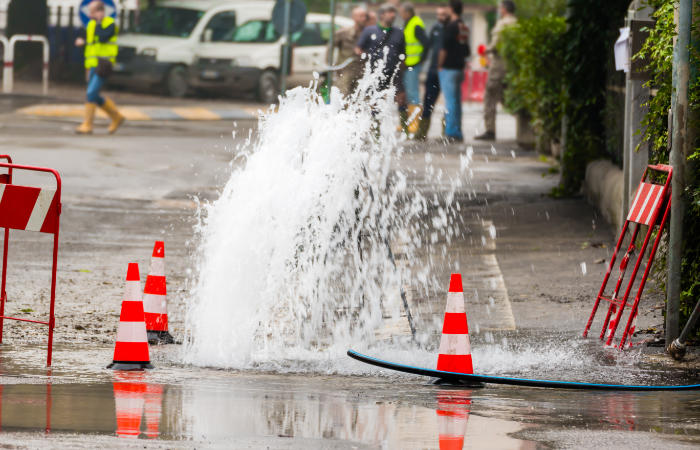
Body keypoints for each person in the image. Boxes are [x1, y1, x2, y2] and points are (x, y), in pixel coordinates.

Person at [74, 0, 124, 135]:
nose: (90, 15)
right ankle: (116, 117)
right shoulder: (91, 25)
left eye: (92, 12)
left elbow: (101, 38)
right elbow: (91, 42)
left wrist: (98, 22)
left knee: (91, 93)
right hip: (91, 65)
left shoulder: (110, 24)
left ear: (100, 12)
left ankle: (87, 125)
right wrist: (82, 42)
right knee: (93, 94)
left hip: (104, 64)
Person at [475, 0, 517, 140]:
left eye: (500, 8)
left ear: (504, 9)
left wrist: (485, 50)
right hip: (512, 66)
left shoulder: (503, 24)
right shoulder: (517, 23)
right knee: (508, 97)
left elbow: (496, 44)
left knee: (490, 96)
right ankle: (529, 125)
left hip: (499, 65)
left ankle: (490, 131)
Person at [356, 3, 406, 108]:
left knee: (401, 100)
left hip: (394, 73)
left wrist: (402, 70)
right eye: (390, 12)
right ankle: (375, 123)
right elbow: (358, 49)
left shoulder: (399, 32)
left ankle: (402, 124)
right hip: (374, 73)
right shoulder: (369, 30)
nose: (393, 15)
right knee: (374, 103)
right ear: (382, 15)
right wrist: (366, 58)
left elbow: (403, 53)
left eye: (394, 13)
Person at [438, 0, 470, 142]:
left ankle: (450, 133)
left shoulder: (451, 27)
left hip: (449, 68)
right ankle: (457, 132)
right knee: (456, 101)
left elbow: (444, 48)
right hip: (459, 67)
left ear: (451, 9)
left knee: (450, 101)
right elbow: (465, 47)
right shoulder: (463, 25)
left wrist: (439, 65)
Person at [417, 5, 450, 140]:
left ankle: (446, 132)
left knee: (448, 104)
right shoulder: (436, 28)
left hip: (447, 70)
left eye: (442, 14)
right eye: (438, 14)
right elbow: (428, 47)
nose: (439, 17)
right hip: (432, 70)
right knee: (428, 101)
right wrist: (421, 61)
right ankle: (422, 132)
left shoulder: (451, 28)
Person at [399, 3, 429, 135]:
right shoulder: (408, 23)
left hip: (413, 64)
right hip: (407, 64)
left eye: (402, 12)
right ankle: (407, 122)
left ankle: (414, 123)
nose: (401, 15)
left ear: (408, 12)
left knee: (413, 94)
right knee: (407, 94)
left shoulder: (415, 24)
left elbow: (426, 44)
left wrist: (420, 61)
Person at [328, 6, 368, 96]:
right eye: (361, 16)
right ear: (353, 17)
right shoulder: (343, 33)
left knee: (360, 98)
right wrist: (330, 65)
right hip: (346, 71)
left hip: (363, 71)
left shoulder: (368, 34)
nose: (363, 19)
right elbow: (330, 48)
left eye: (365, 16)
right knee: (342, 95)